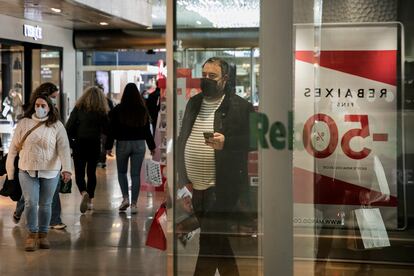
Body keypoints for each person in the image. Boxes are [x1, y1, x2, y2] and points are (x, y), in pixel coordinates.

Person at [177, 57, 254, 275]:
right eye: (204, 75)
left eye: (212, 76)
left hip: (221, 188)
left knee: (209, 241)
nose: (207, 80)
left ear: (225, 79)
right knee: (217, 241)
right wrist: (183, 180)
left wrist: (227, 142)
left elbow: (256, 140)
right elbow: (184, 138)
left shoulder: (241, 106)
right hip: (196, 187)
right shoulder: (194, 102)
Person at [6, 94, 72, 251]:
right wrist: (10, 172)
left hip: (51, 171)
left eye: (43, 105)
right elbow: (13, 148)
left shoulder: (57, 125)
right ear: (33, 106)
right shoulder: (24, 123)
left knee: (46, 204)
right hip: (27, 170)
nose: (40, 108)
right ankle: (32, 234)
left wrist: (67, 169)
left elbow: (63, 148)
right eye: (37, 105)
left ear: (49, 107)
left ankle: (43, 235)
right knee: (30, 203)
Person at [13, 82, 67, 230]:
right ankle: (32, 226)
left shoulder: (54, 116)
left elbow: (62, 143)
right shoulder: (29, 115)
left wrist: (66, 166)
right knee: (30, 197)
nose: (55, 100)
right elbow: (16, 142)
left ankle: (51, 222)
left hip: (50, 164)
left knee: (44, 198)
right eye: (53, 97)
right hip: (28, 163)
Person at [107, 83, 156, 214]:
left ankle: (125, 199)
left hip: (122, 143)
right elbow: (147, 131)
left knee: (122, 172)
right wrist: (152, 147)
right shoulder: (142, 109)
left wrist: (108, 147)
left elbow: (111, 129)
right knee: (135, 175)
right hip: (139, 144)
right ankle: (134, 204)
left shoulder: (118, 109)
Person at [66, 86, 109, 213]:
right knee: (91, 173)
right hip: (94, 144)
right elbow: (108, 129)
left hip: (79, 144)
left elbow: (68, 127)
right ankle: (90, 200)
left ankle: (83, 192)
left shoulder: (78, 108)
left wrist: (72, 144)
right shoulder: (101, 111)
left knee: (79, 173)